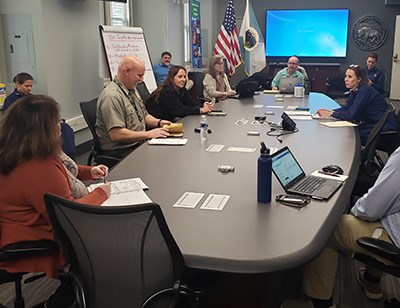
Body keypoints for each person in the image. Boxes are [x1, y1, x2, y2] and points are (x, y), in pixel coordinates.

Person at [0, 95, 111, 307]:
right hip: (28, 235)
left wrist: (88, 172)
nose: (61, 127)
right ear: (43, 129)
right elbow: (70, 216)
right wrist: (101, 193)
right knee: (95, 254)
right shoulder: (37, 166)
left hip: (11, 225)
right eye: (57, 122)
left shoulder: (17, 152)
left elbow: (64, 173)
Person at [281, 145, 400, 308]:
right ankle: (371, 283)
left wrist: (353, 211)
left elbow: (371, 209)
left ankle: (320, 304)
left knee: (326, 227)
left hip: (394, 241)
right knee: (381, 214)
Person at [96, 55, 171, 159]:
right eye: (139, 75)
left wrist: (159, 122)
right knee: (160, 159)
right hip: (121, 149)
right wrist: (148, 134)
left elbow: (144, 116)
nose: (142, 79)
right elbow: (117, 134)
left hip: (137, 143)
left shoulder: (132, 90)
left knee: (168, 153)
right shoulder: (112, 96)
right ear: (127, 71)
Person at [317, 65, 398, 145]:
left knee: (351, 135)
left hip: (385, 127)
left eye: (350, 77)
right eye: (346, 76)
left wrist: (332, 114)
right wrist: (331, 111)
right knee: (350, 131)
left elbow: (351, 115)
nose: (346, 79)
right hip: (375, 122)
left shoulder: (364, 91)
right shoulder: (355, 90)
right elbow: (348, 108)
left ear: (359, 79)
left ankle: (361, 157)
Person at [146, 65, 213, 122]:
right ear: (172, 78)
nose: (183, 80)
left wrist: (204, 106)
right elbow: (179, 110)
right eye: (180, 77)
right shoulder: (167, 91)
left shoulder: (182, 89)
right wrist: (200, 110)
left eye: (184, 77)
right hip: (158, 122)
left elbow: (191, 104)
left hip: (170, 119)